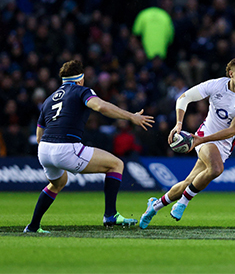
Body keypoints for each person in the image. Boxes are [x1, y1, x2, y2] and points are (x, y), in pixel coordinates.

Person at [25, 60, 155, 233]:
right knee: (116, 164)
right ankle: (111, 215)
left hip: (44, 150)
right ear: (80, 79)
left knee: (57, 184)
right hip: (65, 147)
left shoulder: (50, 98)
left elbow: (39, 133)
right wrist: (131, 116)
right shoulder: (82, 90)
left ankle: (33, 226)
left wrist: (50, 153)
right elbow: (100, 106)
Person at [139, 57, 235, 229]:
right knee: (216, 169)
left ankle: (154, 206)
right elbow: (183, 98)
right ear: (231, 73)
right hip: (205, 134)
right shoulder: (217, 85)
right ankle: (183, 203)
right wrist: (179, 123)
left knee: (189, 182)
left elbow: (232, 130)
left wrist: (201, 140)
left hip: (222, 143)